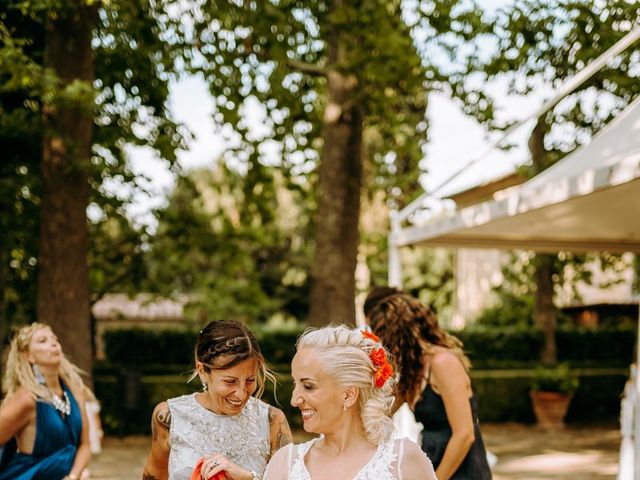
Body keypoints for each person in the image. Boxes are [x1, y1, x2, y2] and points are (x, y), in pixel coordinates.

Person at [264, 325, 436, 480]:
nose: (295, 400)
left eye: (308, 386)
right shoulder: (285, 463)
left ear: (348, 395)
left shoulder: (403, 461)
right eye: (296, 385)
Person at [364, 286, 492, 480]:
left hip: (461, 469)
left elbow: (464, 435)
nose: (383, 346)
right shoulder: (413, 369)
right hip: (432, 460)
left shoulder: (443, 363)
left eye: (384, 338)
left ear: (398, 335)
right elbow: (382, 412)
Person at [143, 319, 293, 480]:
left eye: (250, 380)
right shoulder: (168, 417)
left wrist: (247, 477)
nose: (241, 394)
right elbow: (154, 474)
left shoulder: (273, 421)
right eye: (230, 381)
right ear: (202, 371)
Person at [0, 322, 92, 480]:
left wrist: (73, 476)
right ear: (28, 355)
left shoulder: (76, 391)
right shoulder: (26, 399)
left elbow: (85, 445)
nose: (53, 343)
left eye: (54, 339)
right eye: (43, 341)